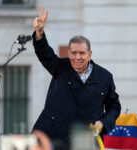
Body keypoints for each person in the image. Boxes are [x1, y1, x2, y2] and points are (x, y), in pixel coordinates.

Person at [32, 5, 121, 149]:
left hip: (85, 142)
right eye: (73, 53)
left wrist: (103, 122)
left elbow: (114, 108)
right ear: (68, 53)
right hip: (52, 138)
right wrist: (39, 33)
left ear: (90, 54)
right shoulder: (59, 67)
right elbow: (44, 53)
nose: (77, 57)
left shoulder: (105, 77)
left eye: (82, 53)